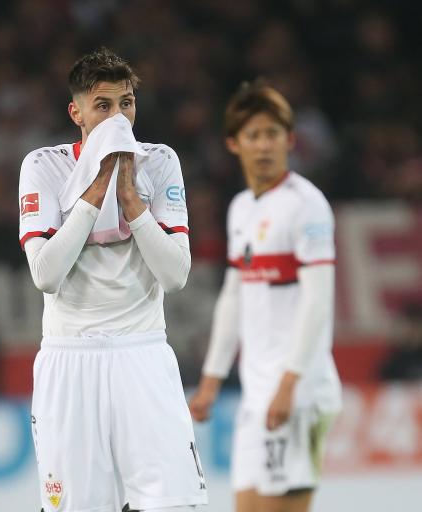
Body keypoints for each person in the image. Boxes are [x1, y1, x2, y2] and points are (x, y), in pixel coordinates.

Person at [19, 48, 208, 512]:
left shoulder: (159, 161)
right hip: (70, 358)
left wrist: (133, 203)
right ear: (76, 112)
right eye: (103, 105)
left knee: (174, 505)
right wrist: (99, 184)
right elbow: (45, 275)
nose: (118, 116)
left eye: (126, 103)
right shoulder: (44, 166)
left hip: (141, 352)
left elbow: (176, 275)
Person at [188, 81, 342, 512]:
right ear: (234, 144)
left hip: (300, 391)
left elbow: (318, 301)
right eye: (253, 135)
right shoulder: (241, 208)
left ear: (290, 140)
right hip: (257, 397)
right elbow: (233, 298)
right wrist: (212, 380)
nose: (264, 146)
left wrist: (290, 384)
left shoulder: (307, 206)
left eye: (273, 134)